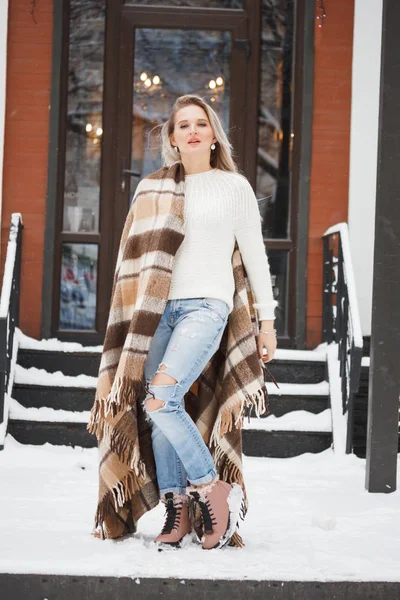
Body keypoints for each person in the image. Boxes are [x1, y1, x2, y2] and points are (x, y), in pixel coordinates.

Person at [140, 94, 278, 550]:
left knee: (162, 399)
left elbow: (256, 258)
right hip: (157, 312)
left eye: (202, 123)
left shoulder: (234, 187)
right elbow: (134, 260)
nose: (193, 130)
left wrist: (267, 322)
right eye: (183, 125)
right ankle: (176, 509)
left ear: (214, 135)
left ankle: (209, 486)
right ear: (173, 139)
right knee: (158, 412)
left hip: (206, 306)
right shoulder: (154, 188)